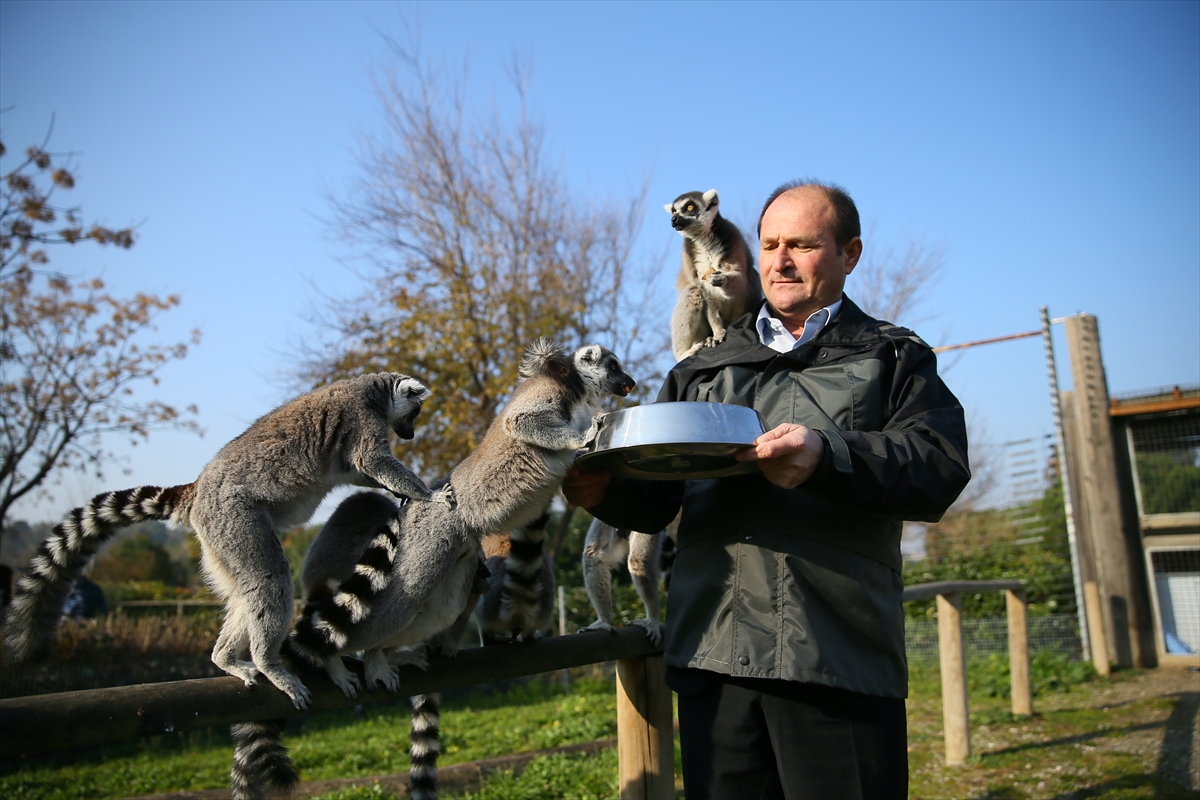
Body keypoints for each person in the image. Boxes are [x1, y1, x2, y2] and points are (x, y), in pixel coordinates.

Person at [563, 180, 970, 800]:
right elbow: (657, 498)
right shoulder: (701, 369)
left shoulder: (892, 357)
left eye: (802, 244)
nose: (780, 261)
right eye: (770, 243)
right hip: (714, 663)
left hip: (839, 667)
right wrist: (598, 488)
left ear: (850, 253)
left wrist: (825, 455)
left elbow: (938, 465)